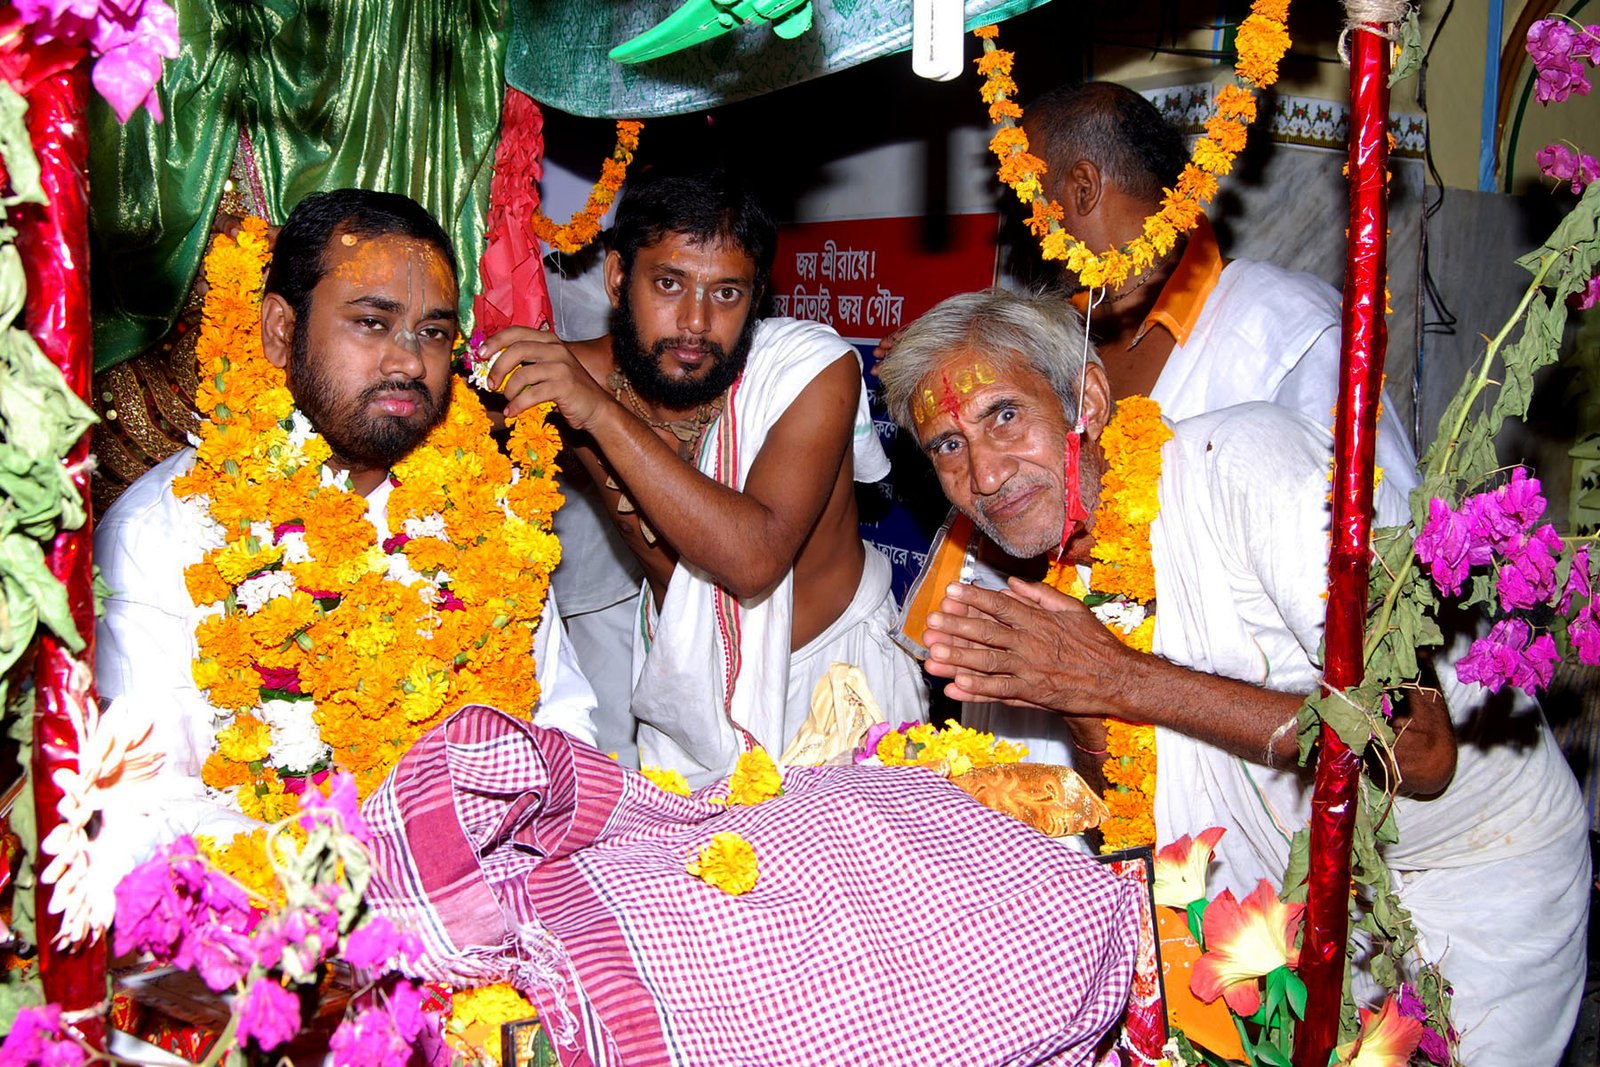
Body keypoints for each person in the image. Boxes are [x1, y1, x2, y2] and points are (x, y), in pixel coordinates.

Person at [878, 288, 1589, 1066]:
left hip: (1470, 869)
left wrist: (1114, 678)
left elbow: (1417, 752)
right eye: (947, 444)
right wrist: (1080, 704)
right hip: (1292, 904)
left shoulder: (1248, 465)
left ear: (1085, 397)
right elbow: (1132, 827)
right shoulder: (1019, 603)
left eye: (1004, 415)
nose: (984, 472)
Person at [96, 189, 599, 846]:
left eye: (434, 332)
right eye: (371, 322)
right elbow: (143, 800)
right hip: (269, 920)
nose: (409, 360)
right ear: (281, 331)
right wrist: (352, 870)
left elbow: (561, 731)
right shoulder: (163, 533)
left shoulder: (489, 520)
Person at [485, 170, 928, 782]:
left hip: (835, 693)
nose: (695, 322)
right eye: (669, 283)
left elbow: (753, 561)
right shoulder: (560, 381)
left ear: (757, 297)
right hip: (684, 699)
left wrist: (599, 416)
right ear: (618, 277)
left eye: (726, 294)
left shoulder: (811, 368)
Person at [1020, 81, 1417, 478]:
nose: (1027, 224)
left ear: (1083, 188)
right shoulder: (1058, 335)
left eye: (1030, 196)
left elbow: (1380, 511)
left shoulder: (1284, 321)